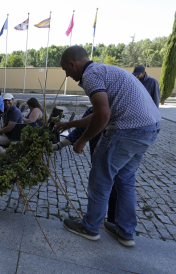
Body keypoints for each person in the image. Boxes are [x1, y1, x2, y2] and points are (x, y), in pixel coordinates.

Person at [59, 46, 160, 247]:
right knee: (125, 178)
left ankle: (90, 226)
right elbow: (99, 113)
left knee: (100, 177)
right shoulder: (104, 71)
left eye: (66, 70)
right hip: (150, 128)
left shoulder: (91, 76)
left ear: (73, 64)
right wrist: (69, 125)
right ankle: (125, 231)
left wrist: (82, 140)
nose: (67, 75)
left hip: (127, 130)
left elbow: (103, 117)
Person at [53, 107, 119, 224]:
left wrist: (78, 136)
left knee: (107, 187)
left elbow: (98, 117)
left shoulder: (115, 109)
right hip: (101, 154)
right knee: (113, 187)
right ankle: (114, 224)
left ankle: (93, 224)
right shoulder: (91, 110)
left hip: (113, 154)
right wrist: (58, 145)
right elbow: (78, 132)